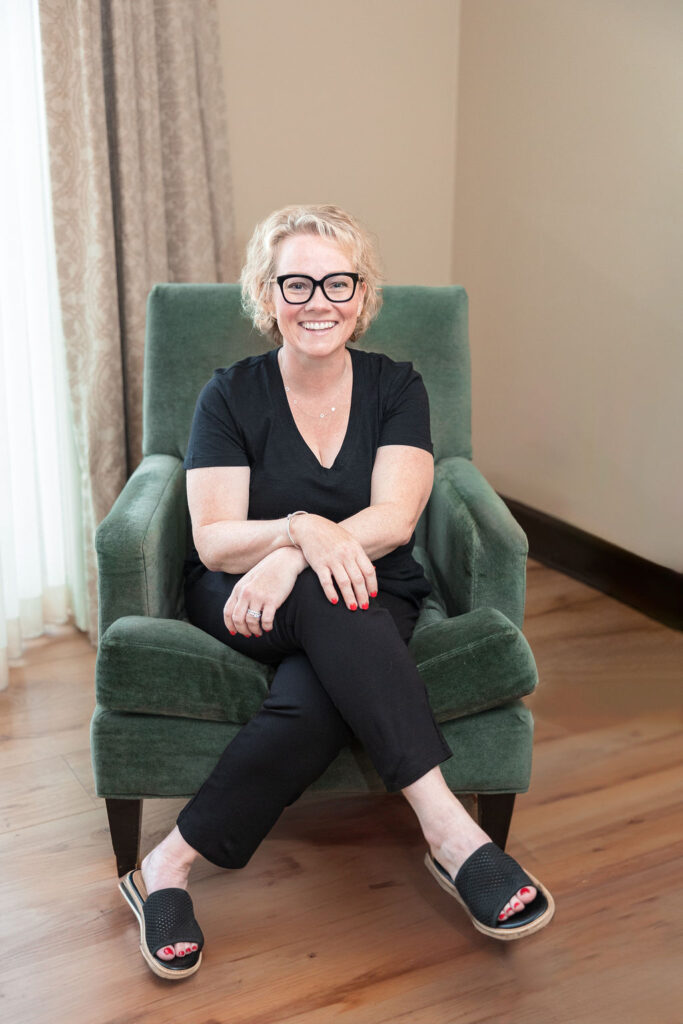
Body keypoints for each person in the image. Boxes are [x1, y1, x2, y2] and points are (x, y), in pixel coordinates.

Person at [119, 203, 554, 980]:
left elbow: (396, 516)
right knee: (332, 595)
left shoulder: (396, 386)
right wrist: (302, 532)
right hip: (239, 594)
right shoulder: (229, 394)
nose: (317, 299)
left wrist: (296, 553)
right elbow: (216, 538)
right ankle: (451, 836)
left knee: (317, 683)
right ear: (265, 294)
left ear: (361, 295)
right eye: (296, 282)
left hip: (366, 583)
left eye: (336, 281)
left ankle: (168, 866)